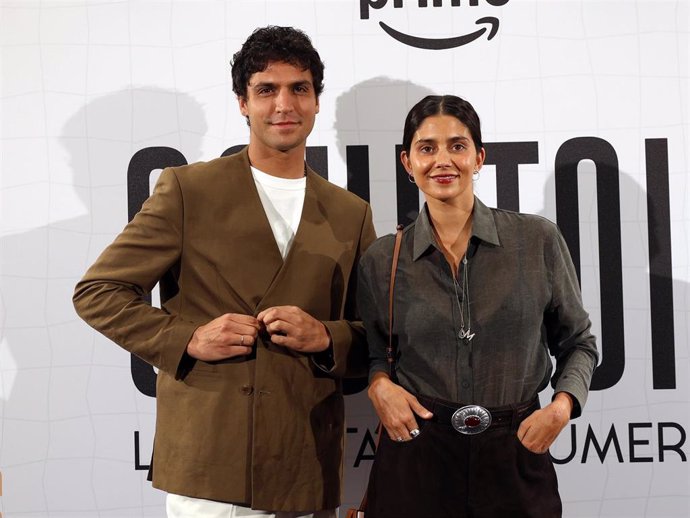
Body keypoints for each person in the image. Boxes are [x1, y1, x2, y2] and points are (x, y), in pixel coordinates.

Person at [73, 26, 376, 518]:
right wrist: (187, 339)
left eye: (299, 88)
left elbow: (375, 339)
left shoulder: (350, 212)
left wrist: (325, 336)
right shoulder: (189, 189)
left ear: (317, 101)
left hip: (305, 457)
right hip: (211, 459)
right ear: (242, 103)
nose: (284, 104)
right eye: (266, 89)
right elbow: (98, 292)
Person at [357, 95, 598, 518]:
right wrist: (378, 385)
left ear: (479, 157)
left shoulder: (537, 239)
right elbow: (377, 352)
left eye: (457, 145)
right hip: (418, 453)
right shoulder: (382, 259)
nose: (442, 160)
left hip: (516, 450)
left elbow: (579, 342)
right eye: (427, 148)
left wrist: (562, 407)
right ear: (407, 163)